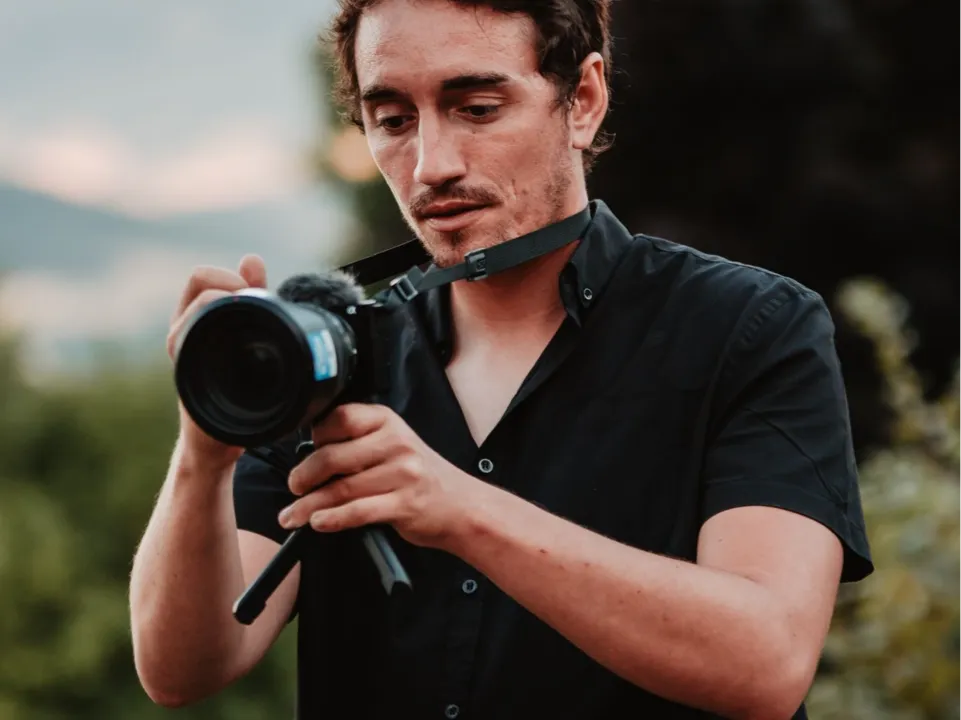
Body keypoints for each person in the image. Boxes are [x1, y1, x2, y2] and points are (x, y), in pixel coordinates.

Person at [129, 1, 874, 718]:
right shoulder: (328, 359)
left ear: (582, 100)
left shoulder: (749, 328)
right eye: (393, 120)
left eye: (477, 108)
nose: (431, 165)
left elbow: (766, 663)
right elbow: (180, 669)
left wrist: (461, 510)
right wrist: (204, 449)